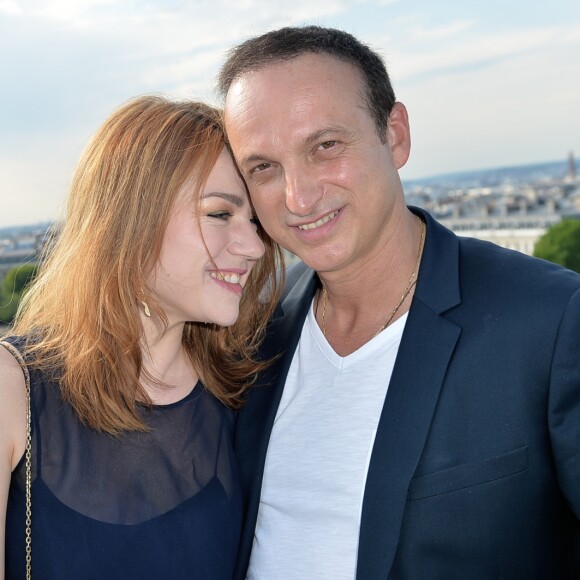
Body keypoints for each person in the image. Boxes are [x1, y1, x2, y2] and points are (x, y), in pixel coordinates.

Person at [217, 25, 580, 579]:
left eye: (325, 146)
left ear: (396, 135)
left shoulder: (550, 320)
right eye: (263, 167)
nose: (298, 196)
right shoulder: (254, 329)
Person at [0, 95, 283, 579]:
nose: (255, 246)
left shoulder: (249, 388)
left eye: (254, 221)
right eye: (220, 214)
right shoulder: (13, 391)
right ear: (133, 219)